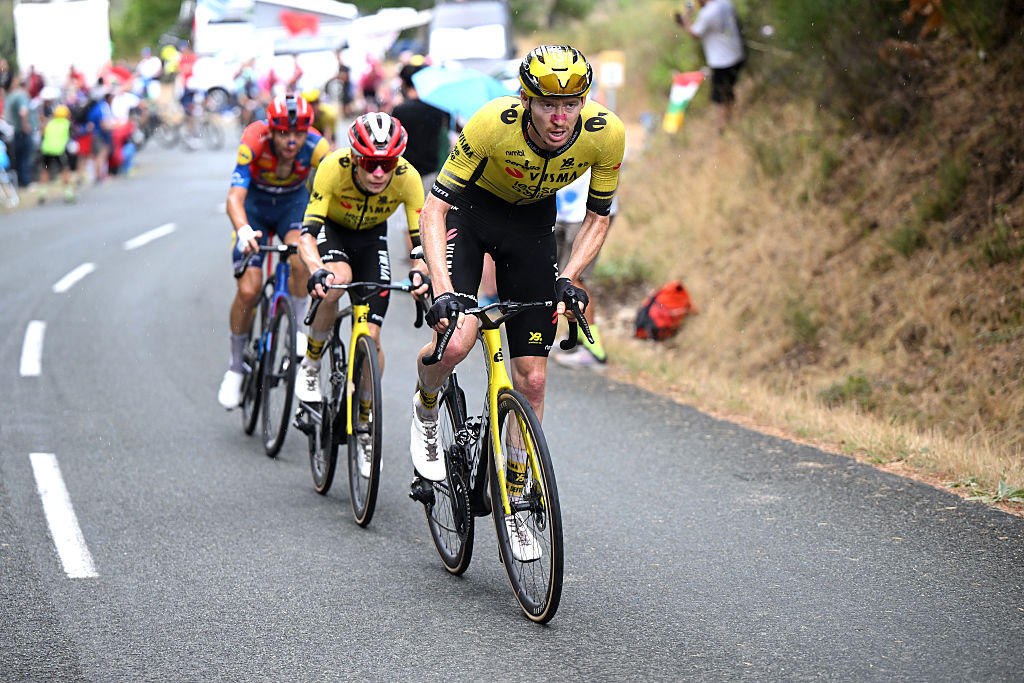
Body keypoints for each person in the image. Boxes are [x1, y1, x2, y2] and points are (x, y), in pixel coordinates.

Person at [409, 44, 625, 556]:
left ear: (584, 101)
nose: (560, 117)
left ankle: (518, 497)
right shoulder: (492, 123)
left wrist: (570, 276)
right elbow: (434, 210)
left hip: (531, 229)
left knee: (533, 379)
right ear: (526, 100)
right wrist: (442, 288)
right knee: (456, 341)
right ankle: (426, 405)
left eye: (570, 104)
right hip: (471, 215)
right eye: (548, 104)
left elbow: (598, 217)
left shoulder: (606, 134)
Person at [298, 113, 427, 473]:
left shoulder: (408, 178)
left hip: (372, 240)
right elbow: (307, 235)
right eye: (370, 163)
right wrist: (316, 269)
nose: (379, 173)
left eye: (388, 164)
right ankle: (311, 362)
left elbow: (420, 244)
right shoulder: (332, 167)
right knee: (337, 279)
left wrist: (421, 273)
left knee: (372, 336)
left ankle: (365, 420)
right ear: (355, 157)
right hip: (333, 231)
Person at [217, 94, 329, 409]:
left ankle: (296, 327)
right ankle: (235, 367)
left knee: (300, 259)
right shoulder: (254, 138)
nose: (291, 141)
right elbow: (234, 197)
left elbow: (334, 185)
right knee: (249, 290)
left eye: (298, 133)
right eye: (283, 133)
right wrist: (242, 230)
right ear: (270, 130)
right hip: (254, 208)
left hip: (291, 206)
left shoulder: (317, 146)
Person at [552, 169, 618, 370]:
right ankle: (577, 339)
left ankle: (594, 349)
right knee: (559, 276)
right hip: (560, 210)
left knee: (572, 279)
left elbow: (613, 170)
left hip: (585, 213)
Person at [676, 0, 746, 132]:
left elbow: (695, 33)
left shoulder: (708, 13)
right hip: (737, 55)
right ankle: (729, 123)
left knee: (720, 97)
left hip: (722, 61)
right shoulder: (726, 3)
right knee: (728, 90)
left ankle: (723, 127)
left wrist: (685, 22)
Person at [4, 76, 38, 188]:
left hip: (15, 132)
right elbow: (23, 112)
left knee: (17, 158)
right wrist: (25, 126)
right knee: (26, 158)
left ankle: (17, 183)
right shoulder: (22, 95)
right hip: (23, 132)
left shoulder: (12, 95)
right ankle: (26, 182)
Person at [38, 104, 75, 203]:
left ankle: (42, 194)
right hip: (59, 150)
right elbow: (72, 137)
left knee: (45, 170)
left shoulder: (50, 123)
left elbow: (43, 133)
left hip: (46, 150)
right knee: (65, 170)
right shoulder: (67, 124)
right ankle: (68, 194)